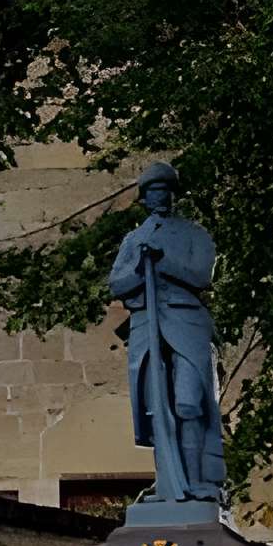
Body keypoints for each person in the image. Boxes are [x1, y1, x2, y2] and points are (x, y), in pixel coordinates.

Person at [107, 161, 226, 503]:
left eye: (165, 191)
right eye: (153, 192)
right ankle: (169, 485)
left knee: (189, 403)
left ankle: (197, 481)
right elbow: (117, 283)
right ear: (144, 199)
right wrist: (141, 272)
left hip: (186, 322)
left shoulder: (194, 233)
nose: (160, 197)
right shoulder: (133, 240)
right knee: (157, 407)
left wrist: (163, 263)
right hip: (147, 325)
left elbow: (202, 276)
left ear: (174, 196)